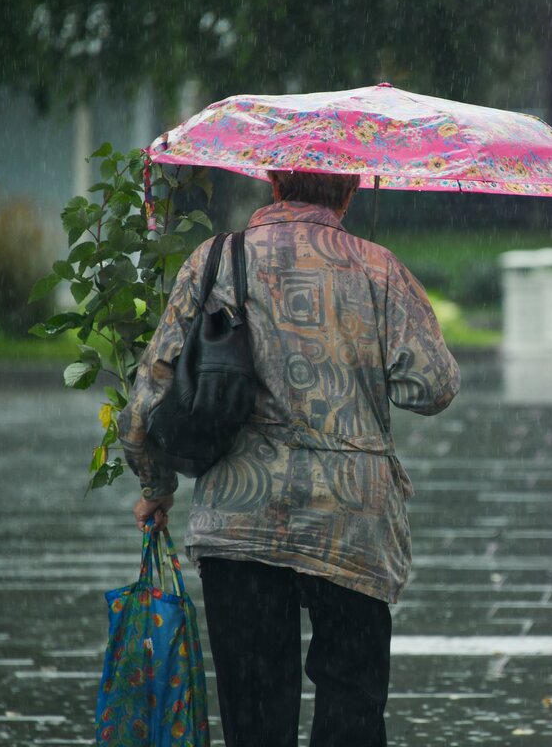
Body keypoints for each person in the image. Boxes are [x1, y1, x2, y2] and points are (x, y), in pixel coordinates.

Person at [118, 170, 461, 747]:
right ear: (350, 191)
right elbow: (434, 386)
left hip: (240, 522)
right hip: (351, 523)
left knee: (254, 716)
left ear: (275, 183)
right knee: (352, 702)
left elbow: (145, 403)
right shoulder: (380, 268)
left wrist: (156, 483)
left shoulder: (216, 260)